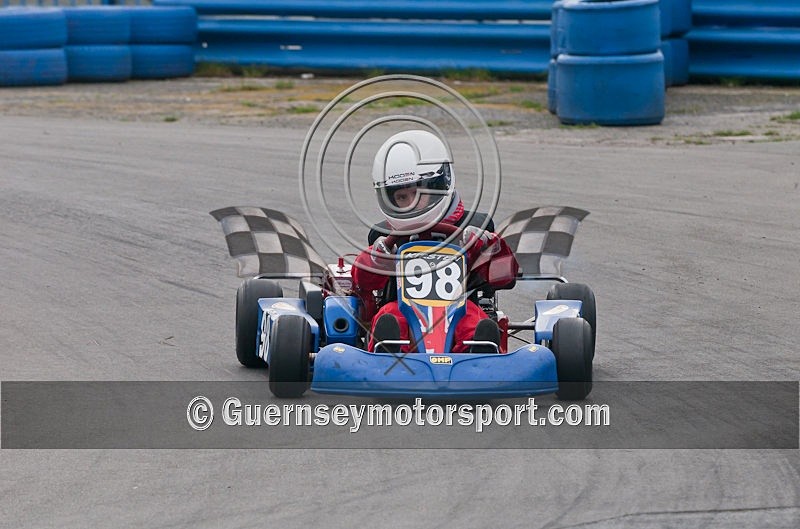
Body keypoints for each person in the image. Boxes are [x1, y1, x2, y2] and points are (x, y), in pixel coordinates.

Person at [351, 130, 519, 353]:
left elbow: (505, 277)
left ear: (439, 185)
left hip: (459, 308)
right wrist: (377, 256)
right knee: (389, 317)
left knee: (475, 322)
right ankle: (387, 354)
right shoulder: (383, 236)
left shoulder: (475, 226)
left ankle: (478, 356)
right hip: (403, 309)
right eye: (402, 198)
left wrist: (487, 245)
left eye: (418, 194)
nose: (411, 204)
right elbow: (362, 282)